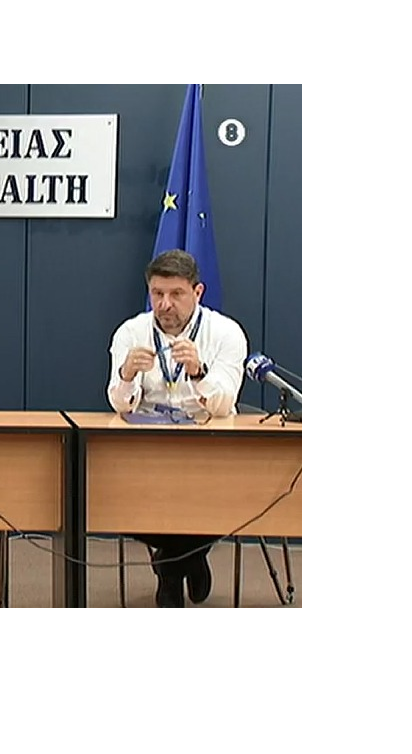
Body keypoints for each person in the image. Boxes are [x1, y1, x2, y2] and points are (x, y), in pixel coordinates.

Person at [106, 249, 247, 607]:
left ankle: (170, 566)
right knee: (108, 493)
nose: (165, 305)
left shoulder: (225, 333)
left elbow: (223, 405)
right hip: (146, 451)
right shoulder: (131, 332)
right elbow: (120, 404)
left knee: (228, 495)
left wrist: (199, 372)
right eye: (157, 293)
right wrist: (126, 375)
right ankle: (190, 557)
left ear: (198, 292)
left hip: (210, 451)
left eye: (176, 294)